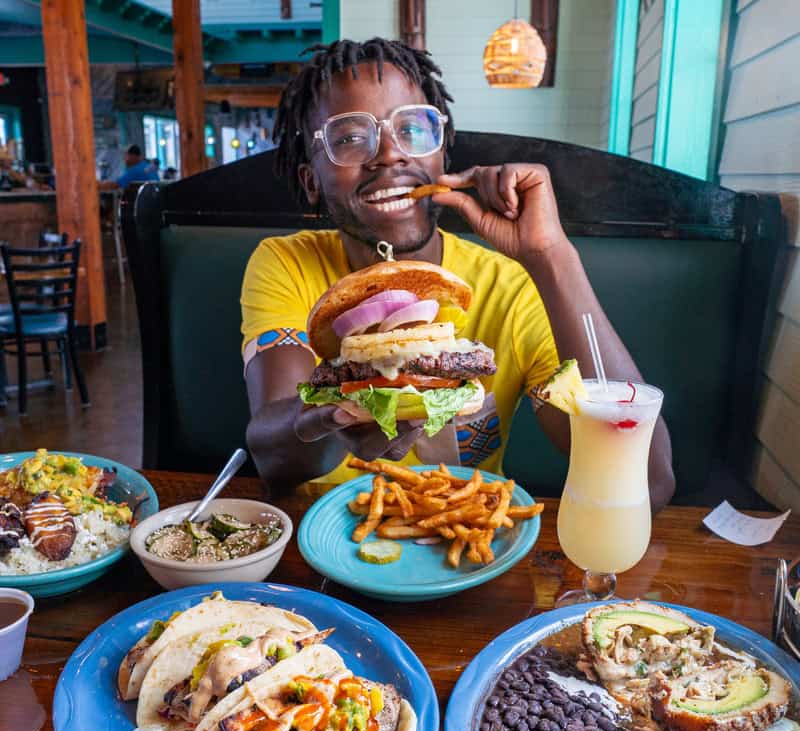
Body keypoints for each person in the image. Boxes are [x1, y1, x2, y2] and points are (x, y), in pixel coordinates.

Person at [242, 38, 675, 508]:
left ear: (441, 155)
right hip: (316, 542)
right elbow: (272, 458)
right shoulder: (286, 263)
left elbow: (644, 481)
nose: (390, 154)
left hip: (467, 546)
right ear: (311, 181)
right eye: (349, 138)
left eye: (413, 129)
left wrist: (551, 255)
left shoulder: (509, 287)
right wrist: (328, 419)